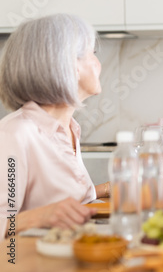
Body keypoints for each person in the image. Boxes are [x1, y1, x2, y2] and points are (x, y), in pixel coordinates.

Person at [0, 14, 108, 237]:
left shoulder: (69, 128)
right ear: (67, 65)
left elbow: (65, 203)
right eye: (91, 54)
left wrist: (114, 187)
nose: (98, 64)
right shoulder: (15, 134)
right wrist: (39, 217)